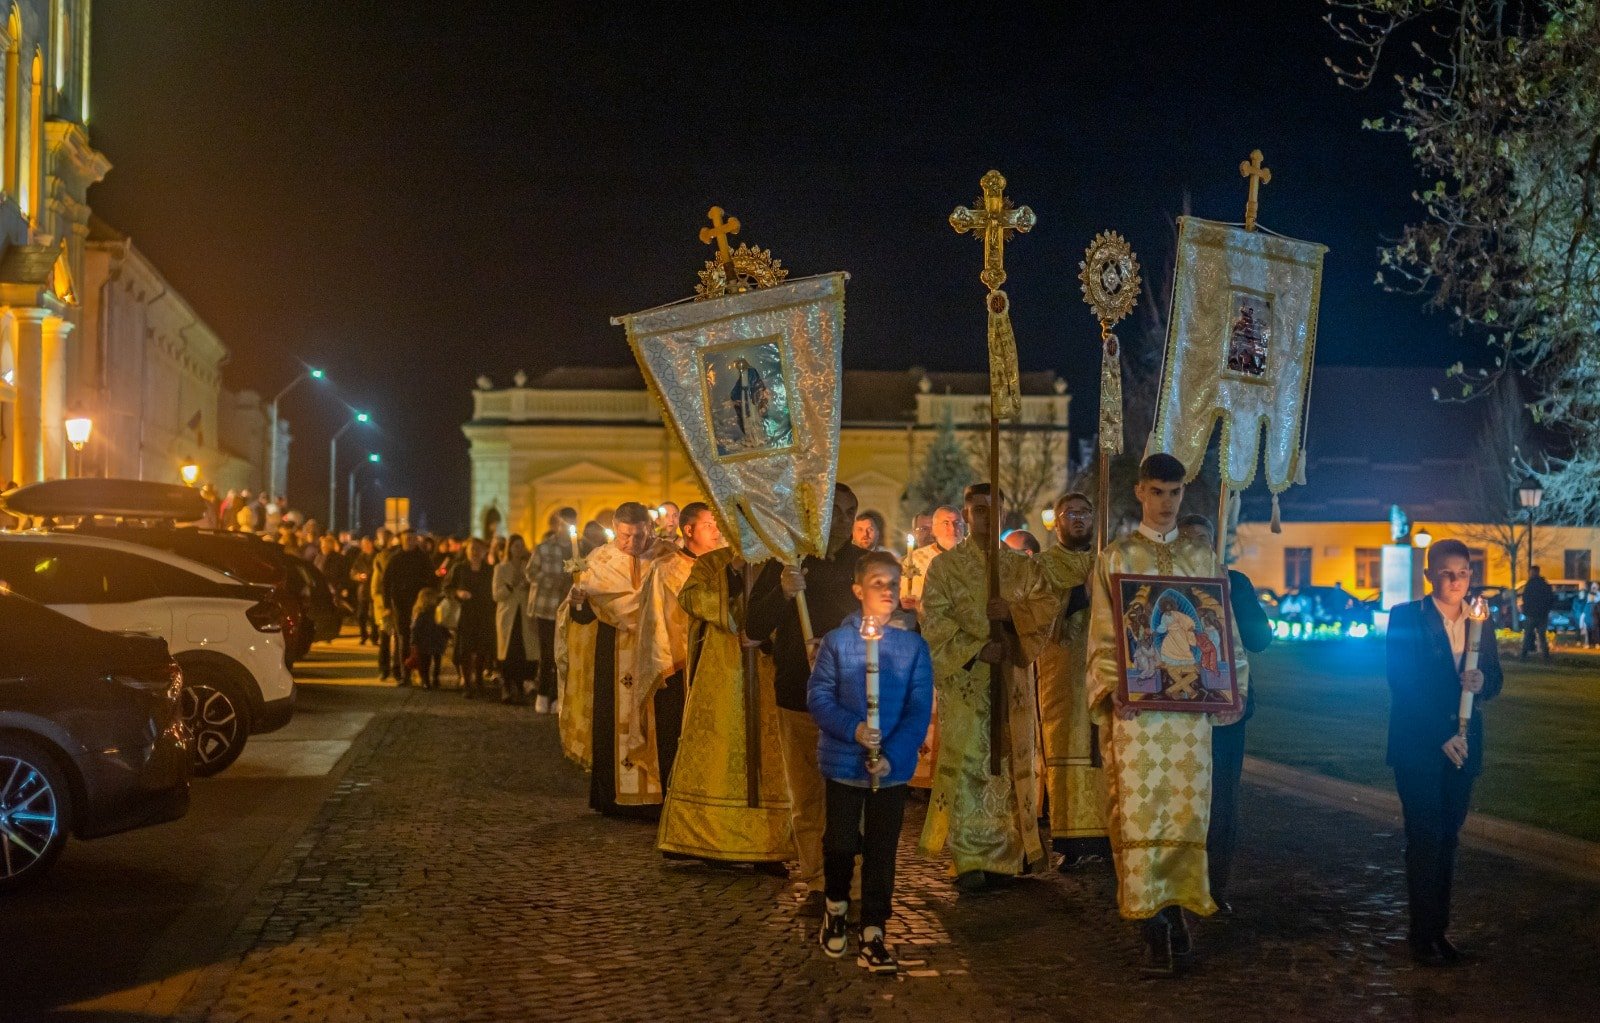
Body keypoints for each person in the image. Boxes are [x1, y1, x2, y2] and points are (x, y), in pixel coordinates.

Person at [1086, 454, 1247, 977]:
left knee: (1186, 812)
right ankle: (1151, 921)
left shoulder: (1203, 559)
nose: (1165, 503)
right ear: (1139, 492)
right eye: (1156, 492)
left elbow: (1223, 634)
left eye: (1174, 493)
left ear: (1184, 493)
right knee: (1138, 811)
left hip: (1187, 719)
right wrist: (1113, 686)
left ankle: (1178, 912)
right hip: (1137, 719)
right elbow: (1105, 635)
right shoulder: (1116, 557)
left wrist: (1230, 685)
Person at [916, 482, 1054, 892]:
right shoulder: (945, 568)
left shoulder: (1022, 567)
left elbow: (1045, 610)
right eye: (978, 509)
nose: (986, 516)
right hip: (968, 683)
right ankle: (970, 857)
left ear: (1003, 514)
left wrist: (1012, 616)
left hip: (1011, 682)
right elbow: (933, 621)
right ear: (966, 512)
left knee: (1012, 766)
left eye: (994, 509)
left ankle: (1014, 853)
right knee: (970, 767)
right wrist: (977, 650)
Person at [809, 551, 934, 975]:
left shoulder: (912, 646)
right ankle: (837, 905)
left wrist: (894, 756)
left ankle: (875, 931)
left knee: (882, 850)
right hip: (845, 763)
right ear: (858, 591)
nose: (887, 590)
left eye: (893, 584)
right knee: (841, 842)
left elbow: (918, 709)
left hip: (891, 771)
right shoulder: (837, 643)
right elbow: (820, 697)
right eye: (877, 582)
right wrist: (855, 729)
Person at [746, 484, 866, 916]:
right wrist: (781, 591)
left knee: (851, 795)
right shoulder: (790, 562)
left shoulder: (865, 566)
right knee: (809, 797)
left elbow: (891, 625)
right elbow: (752, 629)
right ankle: (819, 883)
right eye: (836, 511)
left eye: (851, 512)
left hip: (853, 700)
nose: (845, 521)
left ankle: (853, 884)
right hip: (799, 694)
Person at [1386, 538, 1502, 966]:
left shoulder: (1479, 620)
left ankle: (1440, 930)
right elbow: (1402, 681)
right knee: (1426, 838)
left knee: (1449, 838)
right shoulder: (1406, 618)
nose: (1456, 581)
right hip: (1419, 745)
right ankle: (1422, 934)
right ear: (1430, 574)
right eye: (1448, 572)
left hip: (1466, 745)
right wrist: (1440, 733)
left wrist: (1482, 683)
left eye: (1464, 572)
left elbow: (1495, 678)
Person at [657, 539, 792, 869]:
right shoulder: (712, 562)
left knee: (769, 756)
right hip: (721, 673)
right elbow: (690, 598)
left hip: (767, 668)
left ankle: (769, 844)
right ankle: (709, 838)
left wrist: (768, 633)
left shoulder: (782, 560)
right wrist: (731, 572)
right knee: (717, 751)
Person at [1178, 514, 1274, 915]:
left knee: (1221, 799)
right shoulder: (1167, 584)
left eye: (1203, 539)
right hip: (1178, 711)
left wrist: (1233, 601)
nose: (1197, 546)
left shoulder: (1236, 583)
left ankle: (1215, 885)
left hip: (1225, 709)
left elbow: (1259, 639)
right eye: (1188, 540)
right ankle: (1177, 881)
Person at [568, 502, 668, 818]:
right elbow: (582, 618)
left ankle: (655, 798)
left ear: (649, 529)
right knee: (612, 720)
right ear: (616, 529)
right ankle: (611, 797)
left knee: (655, 722)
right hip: (611, 654)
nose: (631, 544)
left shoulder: (667, 557)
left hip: (655, 654)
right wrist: (578, 604)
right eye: (625, 536)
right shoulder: (598, 561)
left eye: (638, 536)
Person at [1034, 492, 1108, 869]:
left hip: (1105, 671)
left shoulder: (1108, 560)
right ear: (1057, 521)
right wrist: (1081, 593)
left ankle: (1110, 838)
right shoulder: (1044, 565)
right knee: (1067, 746)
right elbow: (1036, 613)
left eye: (1085, 512)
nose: (1078, 519)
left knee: (1106, 751)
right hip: (1063, 672)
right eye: (1070, 513)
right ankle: (1072, 841)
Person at [632, 503, 723, 797]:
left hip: (719, 663)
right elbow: (654, 621)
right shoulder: (665, 570)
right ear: (688, 530)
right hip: (678, 665)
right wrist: (664, 663)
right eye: (709, 524)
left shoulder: (725, 567)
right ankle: (675, 800)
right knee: (676, 736)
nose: (717, 530)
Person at [529, 508, 578, 714]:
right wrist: (551, 581)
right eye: (564, 524)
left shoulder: (579, 548)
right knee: (547, 653)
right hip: (547, 607)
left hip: (571, 608)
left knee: (566, 653)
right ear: (557, 524)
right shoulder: (544, 548)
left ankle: (560, 696)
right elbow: (530, 572)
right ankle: (542, 694)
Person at [383, 530, 437, 686]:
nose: (410, 541)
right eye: (407, 539)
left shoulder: (423, 558)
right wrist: (387, 605)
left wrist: (429, 598)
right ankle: (405, 675)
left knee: (422, 640)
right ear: (401, 540)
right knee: (404, 639)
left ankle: (424, 676)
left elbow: (432, 579)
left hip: (420, 605)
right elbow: (386, 582)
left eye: (413, 539)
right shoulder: (395, 559)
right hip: (400, 604)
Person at [447, 538, 497, 697]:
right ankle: (467, 683)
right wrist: (458, 593)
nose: (475, 552)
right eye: (472, 548)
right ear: (467, 550)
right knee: (465, 649)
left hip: (484, 613)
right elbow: (447, 587)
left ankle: (479, 680)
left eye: (478, 549)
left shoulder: (490, 570)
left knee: (482, 648)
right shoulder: (459, 568)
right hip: (465, 613)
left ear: (484, 551)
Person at [493, 534, 537, 705]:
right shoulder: (501, 568)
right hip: (508, 616)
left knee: (524, 651)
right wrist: (511, 585)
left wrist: (528, 586)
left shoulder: (529, 567)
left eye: (521, 545)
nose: (518, 549)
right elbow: (496, 595)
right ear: (509, 548)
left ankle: (521, 684)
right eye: (515, 546)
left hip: (525, 615)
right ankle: (506, 684)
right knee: (508, 651)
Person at [900, 506, 962, 617]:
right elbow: (911, 599)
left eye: (957, 523)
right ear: (935, 529)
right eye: (946, 523)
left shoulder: (975, 554)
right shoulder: (916, 559)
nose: (952, 528)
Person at [409, 589, 448, 689]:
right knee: (426, 661)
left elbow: (442, 624)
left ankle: (433, 679)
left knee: (434, 660)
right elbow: (415, 628)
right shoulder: (421, 612)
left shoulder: (435, 610)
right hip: (427, 640)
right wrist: (414, 641)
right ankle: (426, 680)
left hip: (433, 639)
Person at [1520, 565, 1554, 661]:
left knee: (1527, 635)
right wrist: (1546, 610)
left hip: (1531, 614)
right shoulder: (1544, 584)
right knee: (1542, 636)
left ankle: (1524, 655)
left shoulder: (1530, 584)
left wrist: (1525, 610)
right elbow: (1550, 599)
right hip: (1542, 615)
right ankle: (1545, 655)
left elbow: (1525, 598)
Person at [348, 537, 377, 644]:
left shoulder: (377, 556)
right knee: (361, 615)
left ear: (371, 544)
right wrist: (358, 576)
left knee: (374, 616)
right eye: (363, 544)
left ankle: (374, 637)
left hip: (374, 588)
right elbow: (353, 572)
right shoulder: (360, 557)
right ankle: (363, 635)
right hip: (363, 589)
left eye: (366, 544)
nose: (364, 546)